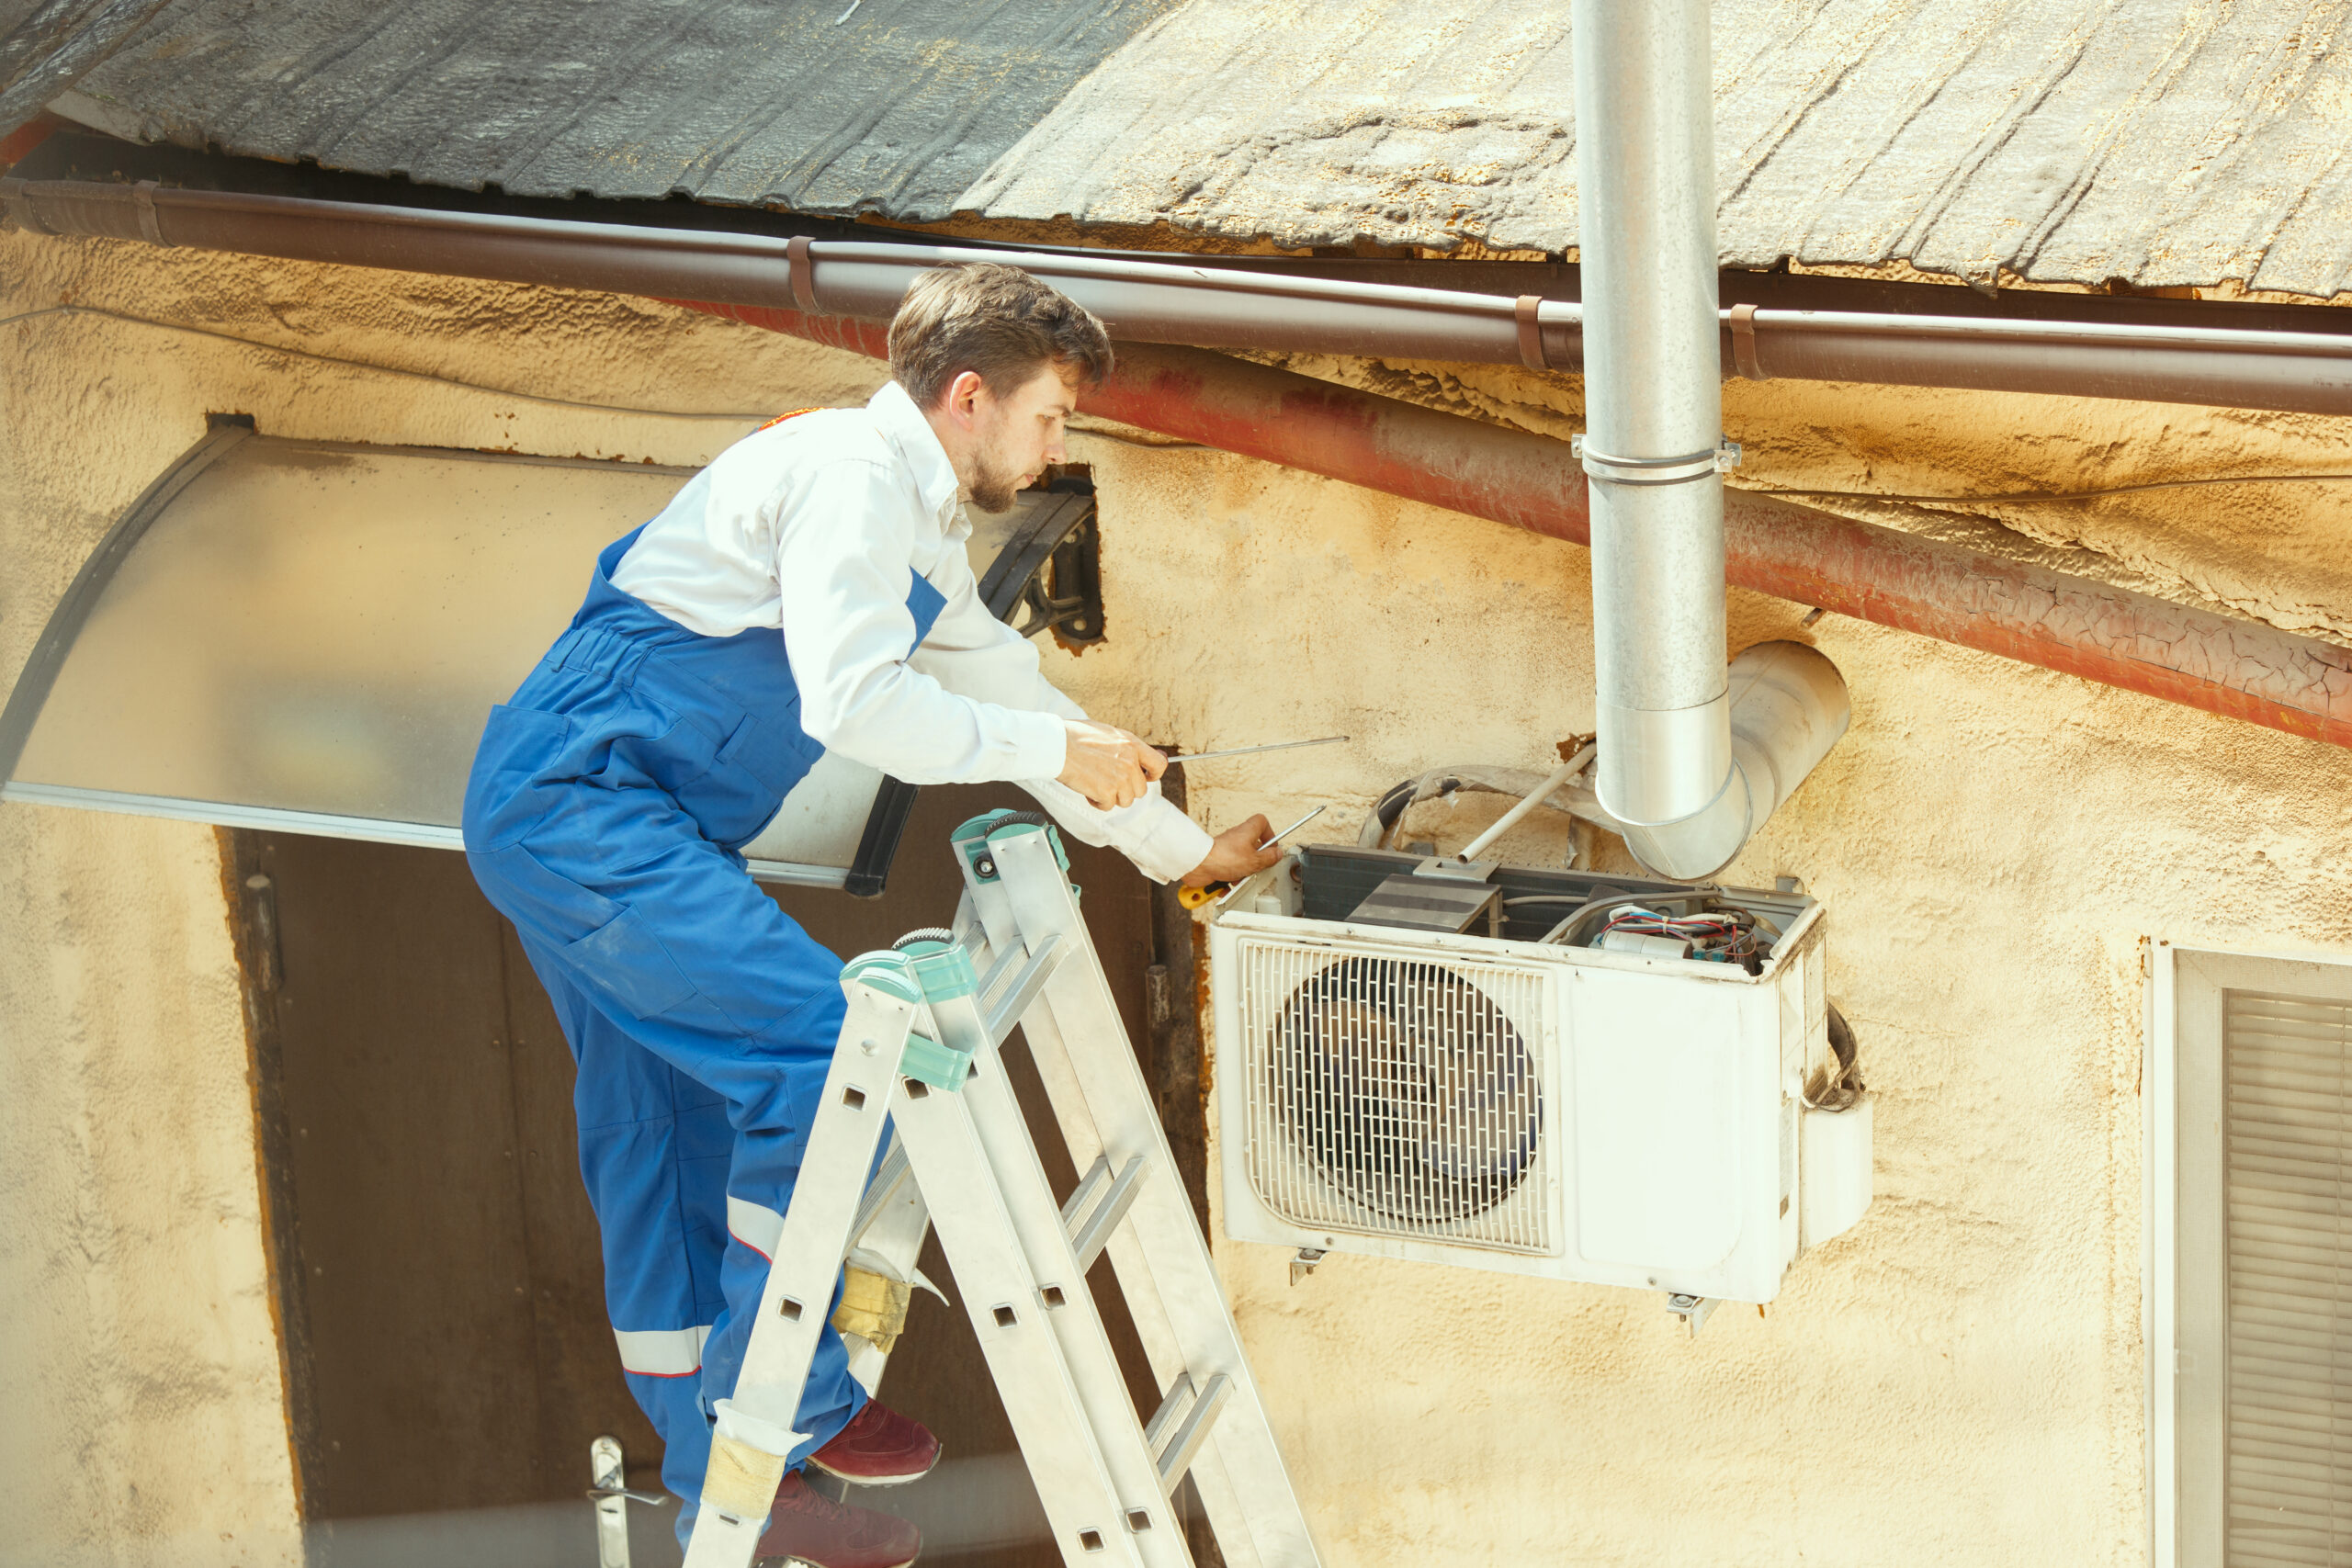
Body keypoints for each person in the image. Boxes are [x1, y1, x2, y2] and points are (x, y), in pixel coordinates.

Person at [460, 262, 1281, 1568]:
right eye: (1050, 418)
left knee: (659, 1114)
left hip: (627, 824)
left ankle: (723, 1457)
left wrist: (1188, 857)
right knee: (816, 1059)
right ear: (970, 397)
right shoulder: (845, 477)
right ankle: (770, 1423)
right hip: (583, 809)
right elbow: (853, 705)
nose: (1055, 444)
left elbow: (1030, 716)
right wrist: (1049, 750)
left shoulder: (914, 528)